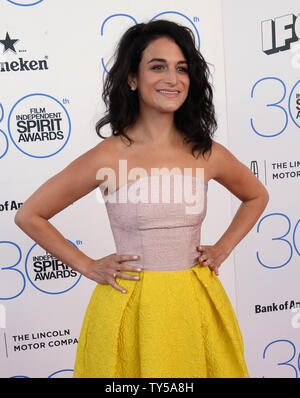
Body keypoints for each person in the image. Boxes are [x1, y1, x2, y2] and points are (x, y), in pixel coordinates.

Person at [14, 20, 269, 378]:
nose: (173, 78)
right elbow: (30, 215)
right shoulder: (108, 155)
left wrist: (223, 248)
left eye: (182, 68)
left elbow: (256, 195)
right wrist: (89, 266)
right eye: (157, 66)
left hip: (193, 305)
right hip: (129, 308)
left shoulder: (206, 152)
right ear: (132, 78)